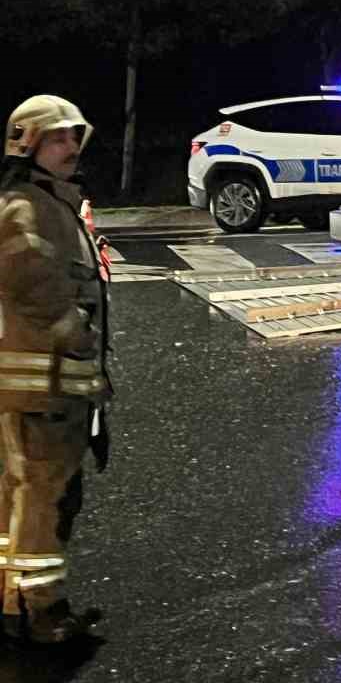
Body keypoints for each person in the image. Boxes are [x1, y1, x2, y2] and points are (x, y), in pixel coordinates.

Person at [0, 96, 111, 644]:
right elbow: (27, 277)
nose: (70, 147)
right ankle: (40, 609)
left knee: (23, 492)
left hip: (47, 382)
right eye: (57, 138)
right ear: (29, 144)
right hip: (42, 382)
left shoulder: (50, 200)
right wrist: (72, 327)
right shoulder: (26, 205)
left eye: (74, 137)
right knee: (45, 494)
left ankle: (11, 597)